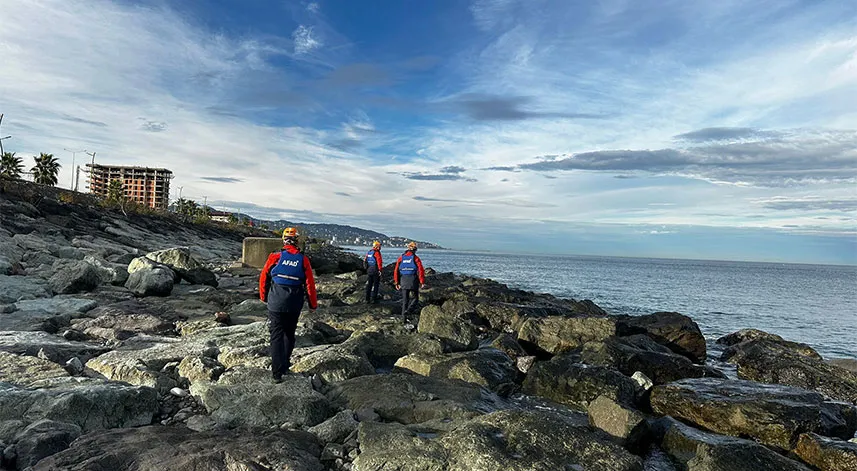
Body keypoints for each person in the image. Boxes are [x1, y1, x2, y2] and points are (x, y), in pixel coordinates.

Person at [259, 227, 317, 382]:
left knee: (276, 336)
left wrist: (264, 297)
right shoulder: (303, 259)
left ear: (283, 240)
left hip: (276, 302)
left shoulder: (275, 256)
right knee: (289, 335)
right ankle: (284, 365)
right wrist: (313, 305)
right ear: (297, 241)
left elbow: (264, 277)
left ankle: (276, 373)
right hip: (294, 303)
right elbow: (310, 284)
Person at [394, 241, 426, 322]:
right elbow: (421, 271)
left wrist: (396, 282)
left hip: (403, 280)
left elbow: (396, 270)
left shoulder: (401, 258)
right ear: (415, 250)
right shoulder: (416, 258)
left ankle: (403, 318)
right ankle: (409, 311)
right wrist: (422, 282)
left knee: (405, 300)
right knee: (415, 298)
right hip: (413, 280)